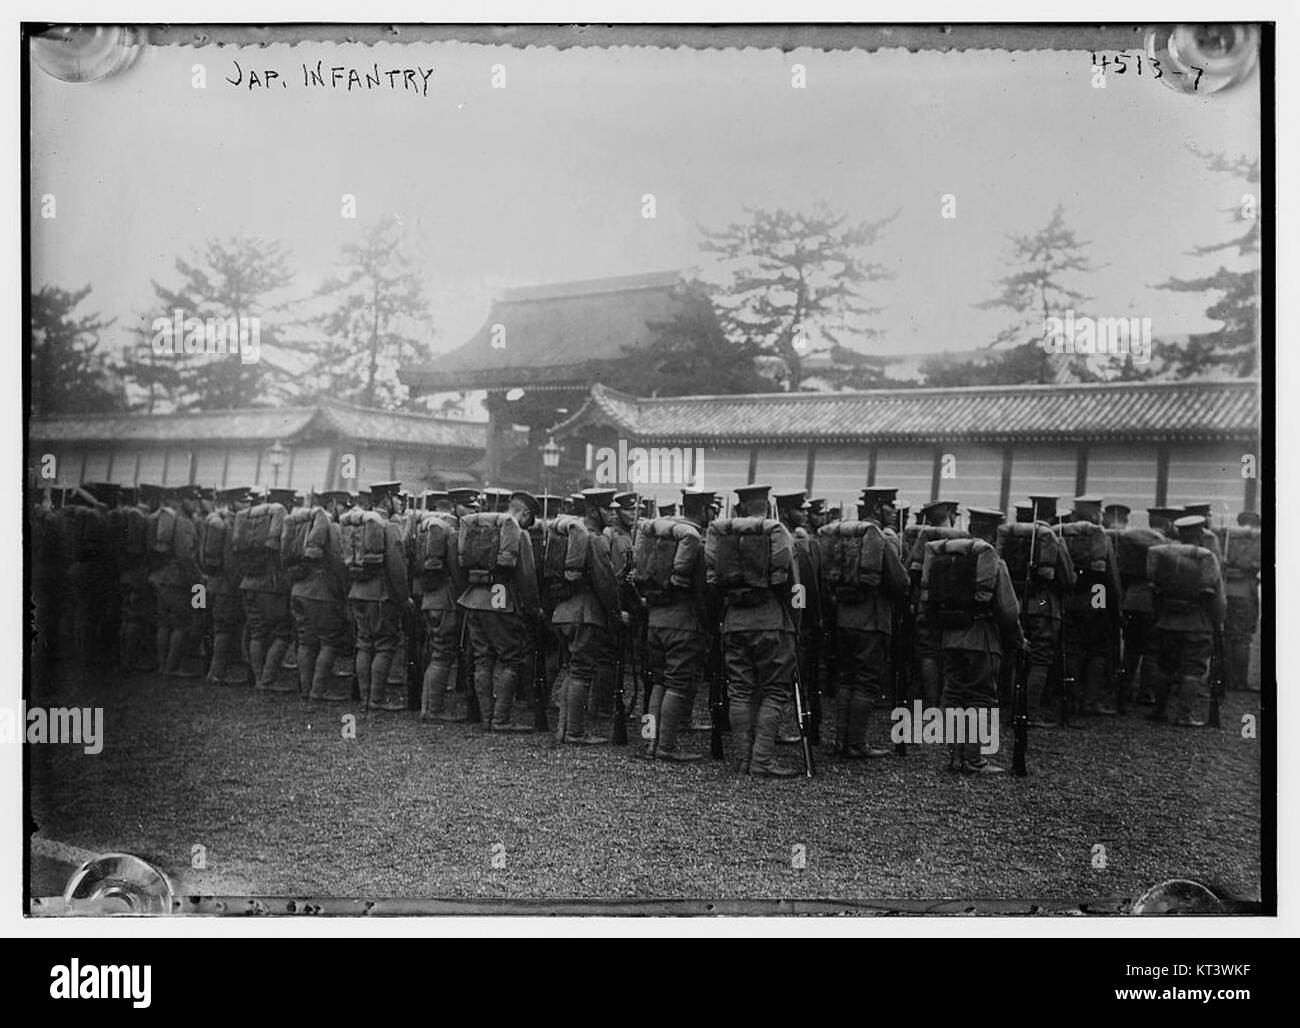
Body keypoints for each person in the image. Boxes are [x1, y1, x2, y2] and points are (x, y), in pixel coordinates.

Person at [706, 483, 802, 779]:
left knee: (740, 691)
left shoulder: (723, 537)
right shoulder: (778, 534)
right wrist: (796, 622)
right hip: (771, 621)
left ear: (741, 506)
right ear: (768, 504)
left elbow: (712, 584)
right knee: (774, 690)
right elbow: (796, 587)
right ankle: (762, 760)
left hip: (734, 622)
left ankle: (743, 760)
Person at [926, 507, 1025, 774]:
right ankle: (974, 758)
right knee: (981, 697)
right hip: (981, 639)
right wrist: (1018, 639)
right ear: (994, 532)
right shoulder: (994, 562)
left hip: (950, 638)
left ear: (970, 529)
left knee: (954, 693)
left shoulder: (949, 558)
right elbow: (1008, 610)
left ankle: (955, 756)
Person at [818, 485, 909, 759]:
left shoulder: (846, 535)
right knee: (867, 682)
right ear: (877, 508)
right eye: (889, 506)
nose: (894, 511)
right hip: (873, 619)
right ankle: (856, 744)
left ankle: (840, 741)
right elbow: (900, 581)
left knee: (846, 679)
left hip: (845, 618)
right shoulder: (878, 537)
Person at [636, 488, 713, 763]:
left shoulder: (662, 541)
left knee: (658, 682)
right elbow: (703, 593)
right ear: (704, 510)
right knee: (678, 684)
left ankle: (650, 743)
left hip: (655, 621)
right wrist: (709, 625)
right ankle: (666, 746)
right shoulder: (697, 547)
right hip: (684, 623)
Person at [455, 490, 541, 731]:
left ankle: (486, 718)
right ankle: (501, 719)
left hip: (473, 599)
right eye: (529, 518)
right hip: (500, 601)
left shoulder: (482, 528)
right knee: (511, 658)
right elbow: (526, 576)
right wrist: (533, 608)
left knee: (482, 659)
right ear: (525, 513)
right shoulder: (518, 533)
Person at [551, 488, 621, 745]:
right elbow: (606, 583)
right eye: (607, 509)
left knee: (572, 669)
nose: (612, 513)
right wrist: (615, 615)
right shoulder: (595, 540)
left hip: (563, 612)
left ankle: (564, 729)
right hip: (585, 614)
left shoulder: (571, 536)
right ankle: (575, 732)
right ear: (593, 511)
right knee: (581, 672)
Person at [1001, 495, 1076, 728]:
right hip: (1042, 604)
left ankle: (1013, 709)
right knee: (1040, 659)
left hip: (1015, 602)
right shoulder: (1050, 537)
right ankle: (1028, 713)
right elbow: (1067, 578)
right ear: (1052, 514)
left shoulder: (1009, 534)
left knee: (1017, 655)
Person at [1147, 515, 1226, 726]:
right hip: (1197, 622)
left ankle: (1159, 710)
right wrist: (1217, 623)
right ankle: (1184, 715)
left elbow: (1155, 590)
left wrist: (1160, 615)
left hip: (1167, 620)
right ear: (1200, 534)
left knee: (1165, 667)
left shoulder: (1162, 554)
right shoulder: (1207, 557)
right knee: (1194, 668)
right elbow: (1216, 596)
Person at [341, 481, 410, 711]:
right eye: (398, 497)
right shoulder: (390, 527)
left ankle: (364, 699)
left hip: (357, 592)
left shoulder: (362, 523)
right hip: (380, 595)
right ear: (388, 499)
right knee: (383, 646)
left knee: (364, 644)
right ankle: (376, 699)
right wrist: (404, 598)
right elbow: (397, 569)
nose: (401, 502)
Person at [1058, 496, 1123, 716]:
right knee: (1098, 649)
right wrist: (1113, 605)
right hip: (1097, 595)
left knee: (1072, 648)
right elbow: (1109, 574)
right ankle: (1090, 701)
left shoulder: (1060, 531)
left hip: (1068, 596)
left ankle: (1071, 698)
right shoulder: (1098, 533)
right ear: (1096, 513)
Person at [287, 490, 352, 704]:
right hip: (322, 592)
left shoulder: (302, 524)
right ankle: (318, 691)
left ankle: (306, 690)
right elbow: (337, 562)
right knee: (328, 642)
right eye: (343, 505)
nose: (344, 510)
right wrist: (343, 591)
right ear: (333, 504)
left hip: (298, 589)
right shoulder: (331, 527)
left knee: (306, 641)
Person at [149, 485, 203, 678]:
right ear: (181, 501)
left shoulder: (169, 519)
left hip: (163, 578)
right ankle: (173, 667)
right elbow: (186, 557)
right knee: (181, 624)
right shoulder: (185, 523)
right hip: (179, 580)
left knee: (164, 624)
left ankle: (163, 665)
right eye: (191, 500)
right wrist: (197, 581)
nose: (195, 504)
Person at [201, 486, 251, 684]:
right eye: (242, 501)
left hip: (211, 584)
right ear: (232, 502)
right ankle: (216, 672)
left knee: (215, 626)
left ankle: (212, 667)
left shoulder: (214, 520)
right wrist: (236, 585)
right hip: (226, 587)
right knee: (224, 628)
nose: (246, 505)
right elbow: (231, 562)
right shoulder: (231, 525)